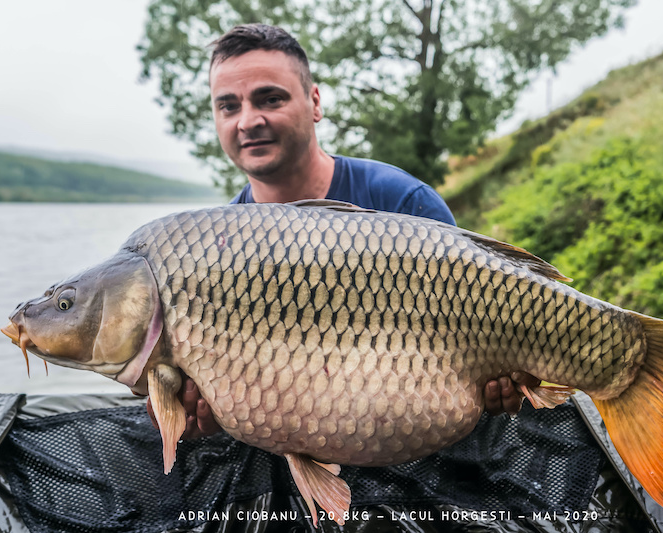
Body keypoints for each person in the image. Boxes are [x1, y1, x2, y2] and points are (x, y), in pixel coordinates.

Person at [148, 23, 521, 441]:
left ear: (314, 102)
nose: (249, 121)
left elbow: (485, 345)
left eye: (270, 98)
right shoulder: (216, 248)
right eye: (228, 107)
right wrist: (209, 418)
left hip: (415, 447)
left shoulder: (403, 203)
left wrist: (497, 386)